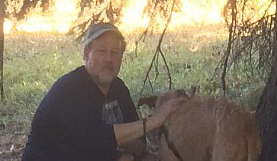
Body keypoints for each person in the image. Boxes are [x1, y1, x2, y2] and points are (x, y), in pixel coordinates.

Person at [21, 22, 184, 161]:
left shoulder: (118, 88)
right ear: (86, 53)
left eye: (115, 52)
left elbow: (138, 139)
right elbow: (97, 138)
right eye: (101, 51)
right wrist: (154, 121)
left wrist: (129, 154)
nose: (109, 59)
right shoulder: (69, 89)